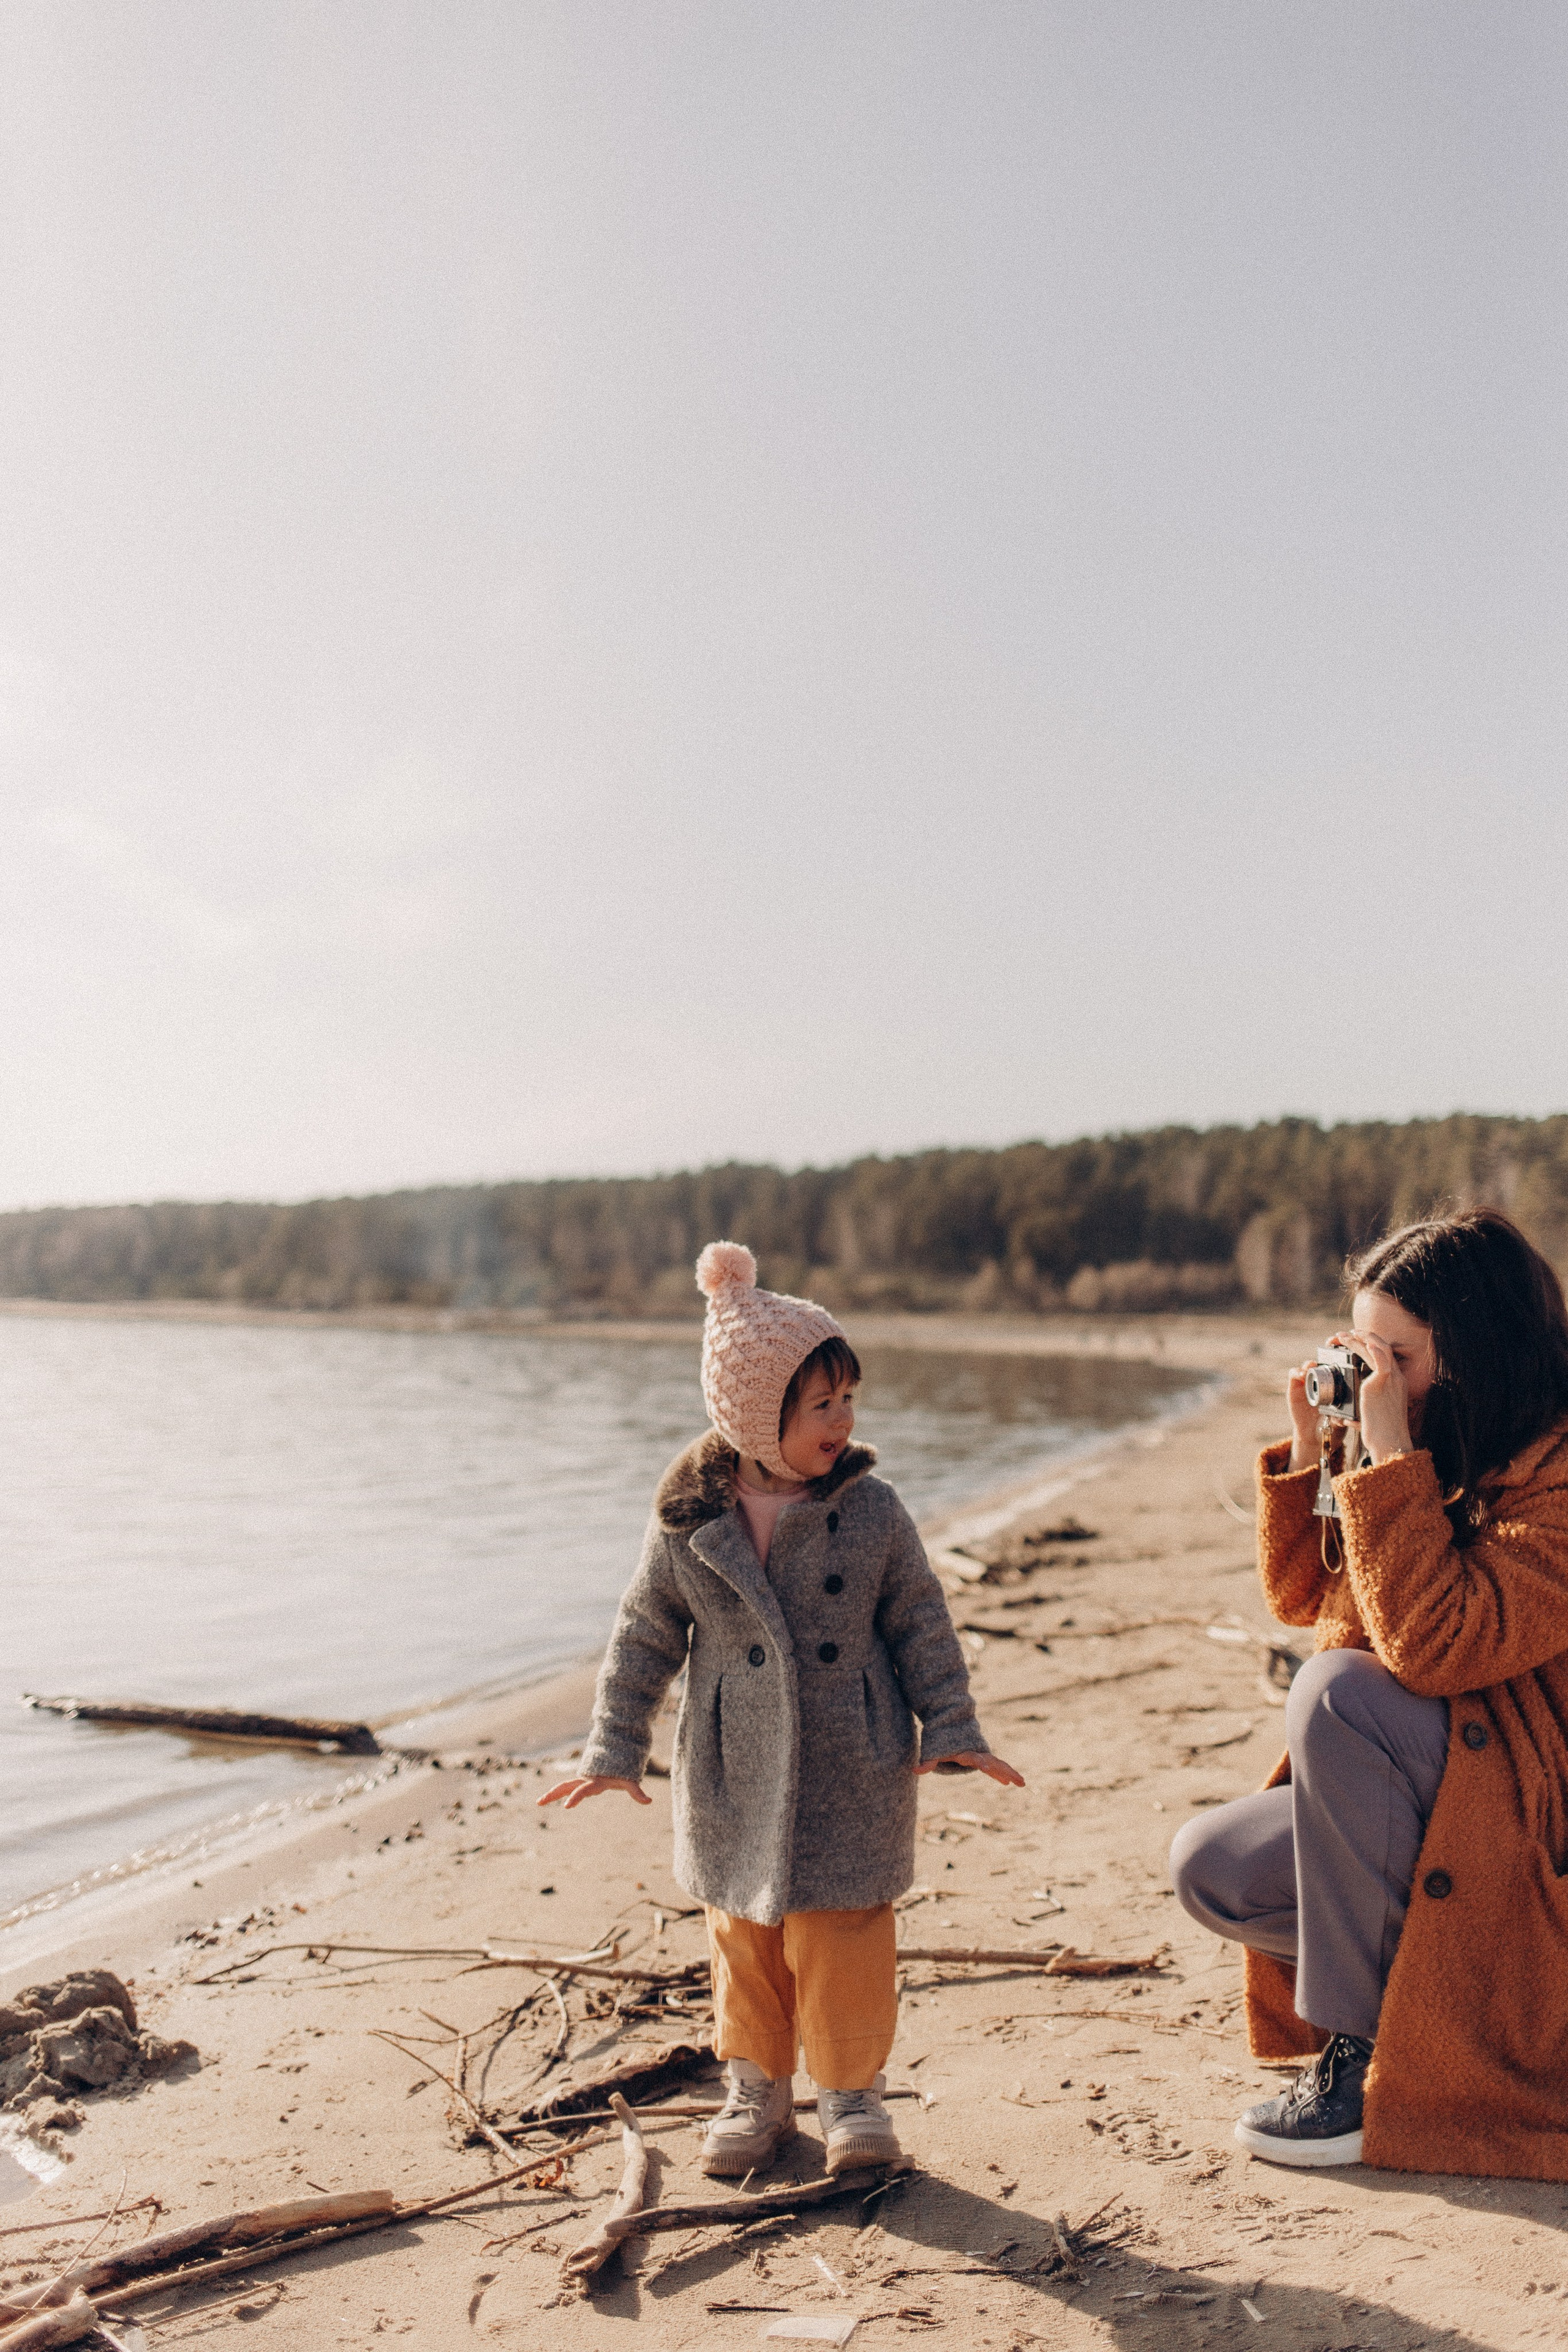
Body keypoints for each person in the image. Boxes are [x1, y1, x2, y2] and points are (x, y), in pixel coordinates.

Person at [541, 1240, 1023, 2177]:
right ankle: (756, 2087)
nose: (843, 1419)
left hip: (853, 1753)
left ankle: (851, 2094)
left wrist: (953, 1726)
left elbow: (920, 1619)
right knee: (744, 1935)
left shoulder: (873, 1509)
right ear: (757, 1418)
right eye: (821, 1405)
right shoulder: (690, 1525)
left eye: (849, 1398)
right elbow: (645, 1632)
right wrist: (613, 1745)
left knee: (845, 1933)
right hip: (733, 1763)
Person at [1170, 1208, 1568, 2176]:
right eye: (1360, 1347)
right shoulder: (1431, 1438)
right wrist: (1319, 1455)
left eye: (1399, 1352)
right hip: (1441, 1774)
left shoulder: (1554, 1475)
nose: (1373, 1373)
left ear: (1478, 1350)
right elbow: (1308, 1600)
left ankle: (1357, 2065)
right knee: (1213, 1867)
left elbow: (1435, 1651)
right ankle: (1428, 2005)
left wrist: (1393, 1460)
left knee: (1336, 1698)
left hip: (1530, 1795)